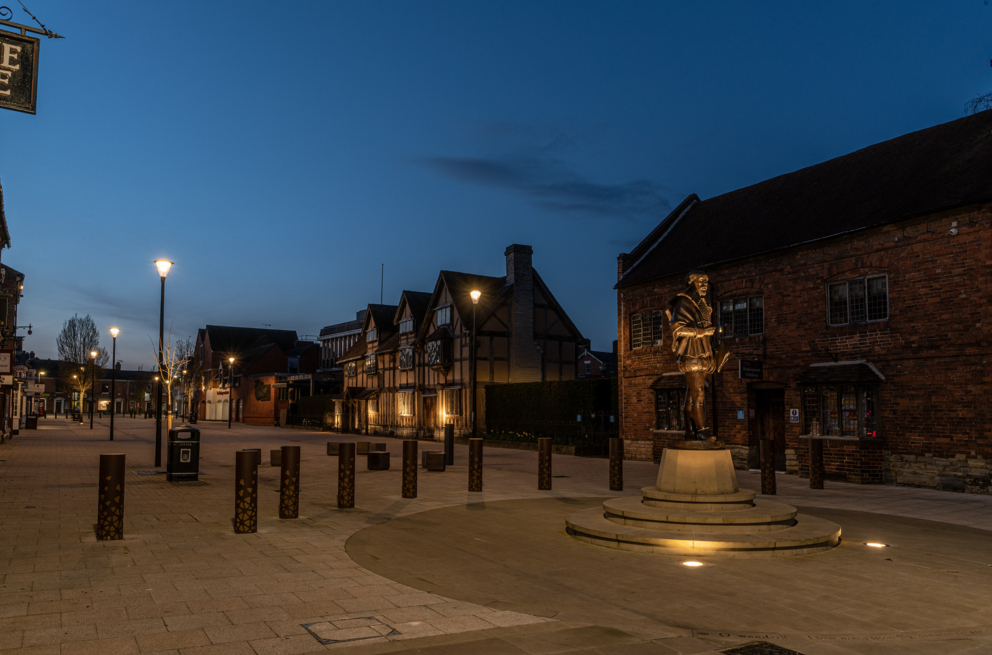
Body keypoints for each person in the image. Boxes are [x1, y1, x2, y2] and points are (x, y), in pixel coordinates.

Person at [668, 270, 730, 440]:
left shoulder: (702, 304)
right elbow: (678, 329)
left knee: (691, 394)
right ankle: (701, 430)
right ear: (691, 282)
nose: (704, 284)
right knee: (699, 392)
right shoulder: (683, 301)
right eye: (701, 281)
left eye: (706, 281)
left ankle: (689, 430)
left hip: (704, 351)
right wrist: (701, 332)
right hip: (692, 351)